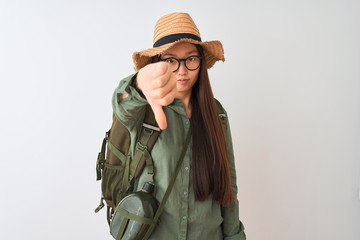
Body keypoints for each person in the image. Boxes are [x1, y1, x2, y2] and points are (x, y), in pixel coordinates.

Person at [112, 12, 246, 240]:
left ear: (201, 62)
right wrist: (139, 83)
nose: (182, 70)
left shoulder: (217, 114)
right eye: (170, 60)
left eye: (190, 59)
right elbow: (123, 103)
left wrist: (235, 236)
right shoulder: (144, 109)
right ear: (157, 64)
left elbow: (228, 186)